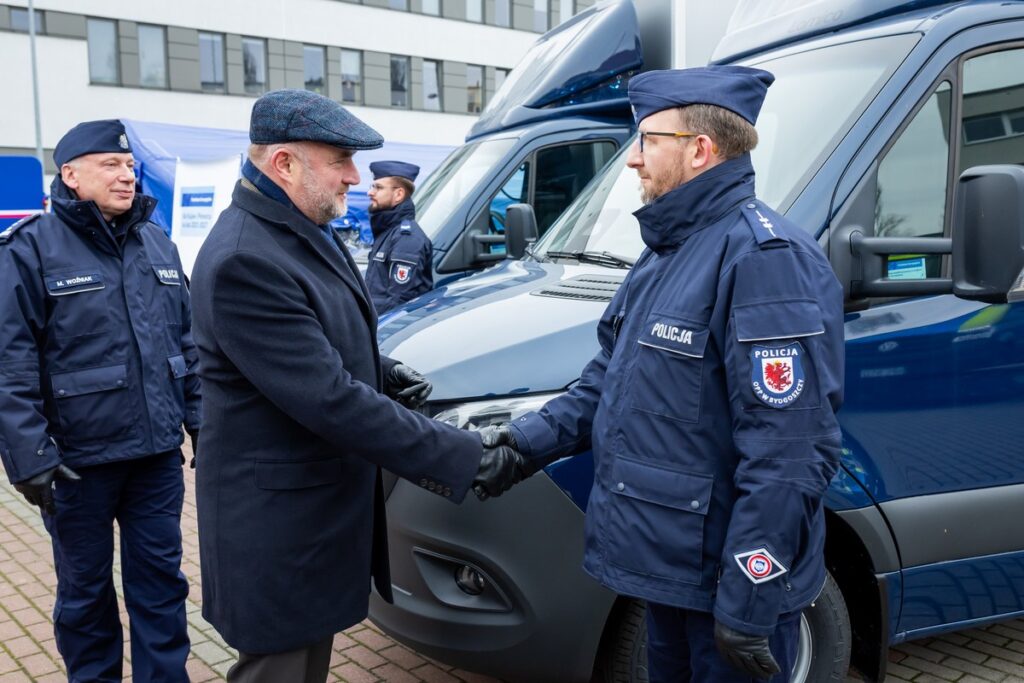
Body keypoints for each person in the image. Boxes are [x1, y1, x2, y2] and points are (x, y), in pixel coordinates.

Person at [481, 67, 845, 682]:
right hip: (669, 572)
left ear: (699, 149)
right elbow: (607, 382)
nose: (633, 160)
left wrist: (750, 600)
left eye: (647, 140)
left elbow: (790, 450)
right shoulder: (665, 254)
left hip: (723, 590)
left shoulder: (763, 260)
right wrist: (520, 445)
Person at [189, 89, 524, 683]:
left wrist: (381, 369)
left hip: (306, 525)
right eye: (340, 158)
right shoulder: (247, 257)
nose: (354, 176)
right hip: (278, 534)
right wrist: (466, 457)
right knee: (281, 670)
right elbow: (329, 400)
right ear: (284, 163)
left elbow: (320, 336)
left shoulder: (293, 227)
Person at [0, 119, 199, 682]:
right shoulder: (29, 250)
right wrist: (28, 456)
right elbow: (9, 362)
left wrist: (202, 422)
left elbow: (187, 342)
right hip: (76, 464)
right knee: (85, 595)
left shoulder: (156, 242)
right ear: (71, 174)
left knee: (162, 586)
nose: (126, 175)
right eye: (110, 165)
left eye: (130, 166)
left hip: (156, 458)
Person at [363, 160, 433, 314]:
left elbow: (399, 303)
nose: (370, 192)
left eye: (378, 187)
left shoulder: (406, 238)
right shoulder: (387, 231)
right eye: (372, 186)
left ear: (398, 194)